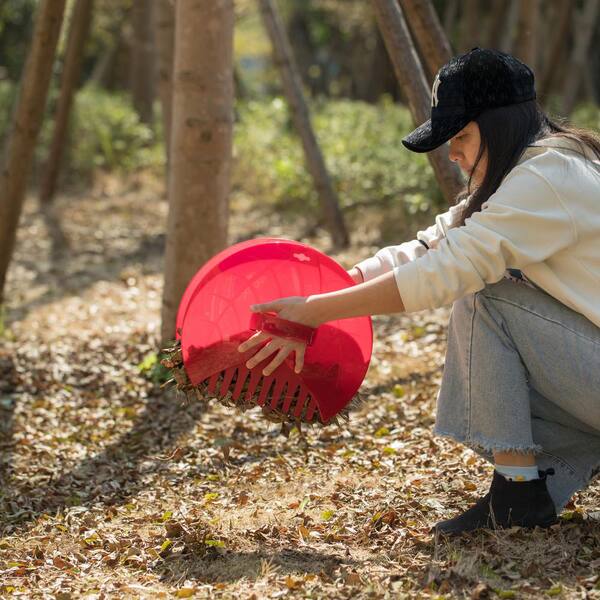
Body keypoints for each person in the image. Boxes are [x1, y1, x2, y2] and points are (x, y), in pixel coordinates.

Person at [236, 48, 600, 536]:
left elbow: (448, 271)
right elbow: (430, 246)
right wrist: (329, 290)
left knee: (484, 294)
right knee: (482, 285)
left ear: (500, 124)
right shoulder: (535, 169)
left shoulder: (546, 178)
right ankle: (527, 483)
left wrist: (316, 313)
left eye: (462, 136)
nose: (452, 153)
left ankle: (517, 494)